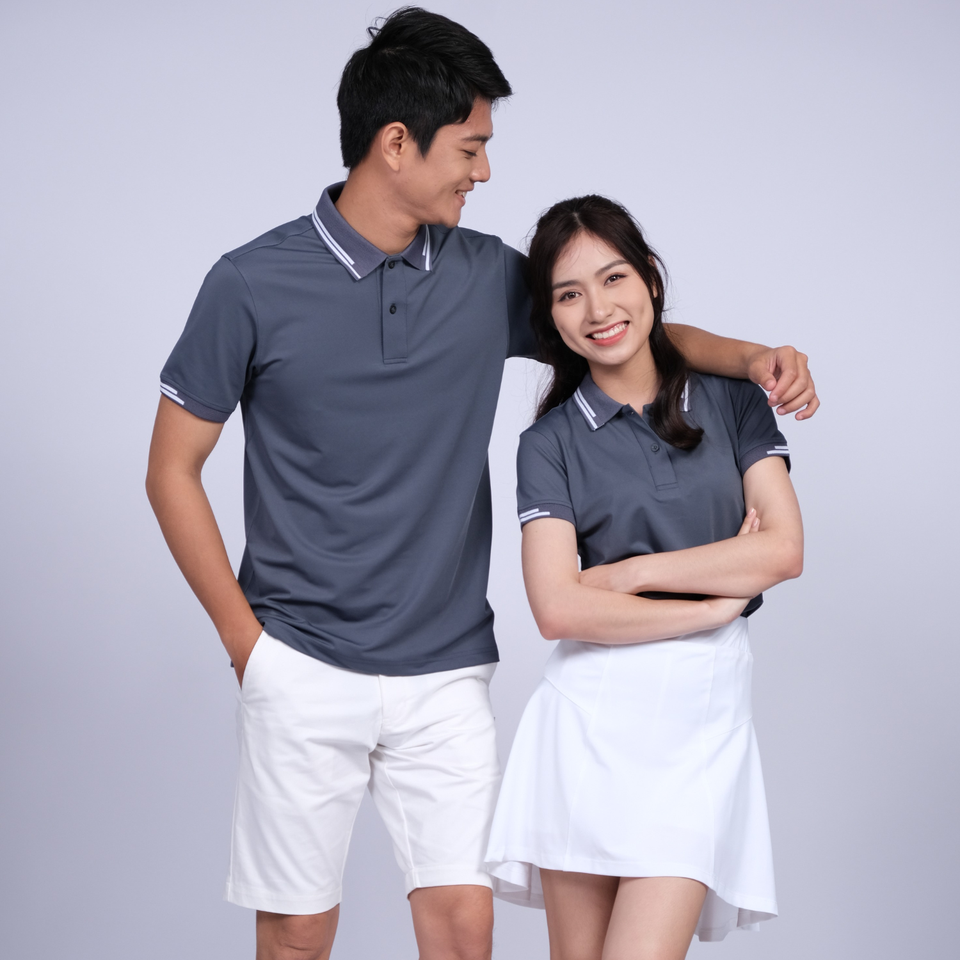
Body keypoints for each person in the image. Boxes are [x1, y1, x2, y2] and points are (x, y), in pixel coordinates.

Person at [145, 9, 817, 960]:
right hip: (297, 657)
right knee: (296, 932)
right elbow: (170, 469)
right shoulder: (249, 283)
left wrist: (751, 358)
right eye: (470, 147)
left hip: (446, 670)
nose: (485, 171)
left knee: (465, 929)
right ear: (396, 144)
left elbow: (624, 330)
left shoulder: (486, 275)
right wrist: (244, 643)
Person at [484, 194, 805, 959]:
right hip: (587, 725)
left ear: (651, 280)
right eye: (569, 294)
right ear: (551, 319)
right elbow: (558, 610)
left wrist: (630, 575)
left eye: (614, 278)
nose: (599, 309)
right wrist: (708, 607)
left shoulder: (732, 399)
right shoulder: (548, 443)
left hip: (701, 727)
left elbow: (783, 550)